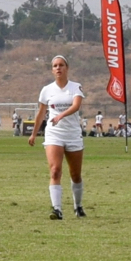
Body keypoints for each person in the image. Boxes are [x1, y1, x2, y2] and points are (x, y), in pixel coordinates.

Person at [29, 55, 86, 219]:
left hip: (73, 134)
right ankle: (57, 209)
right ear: (52, 70)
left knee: (75, 175)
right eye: (55, 66)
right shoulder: (47, 90)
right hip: (54, 134)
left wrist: (60, 115)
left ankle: (78, 206)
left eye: (61, 65)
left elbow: (76, 106)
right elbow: (41, 113)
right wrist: (34, 134)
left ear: (67, 68)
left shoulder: (76, 87)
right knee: (55, 171)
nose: (58, 68)